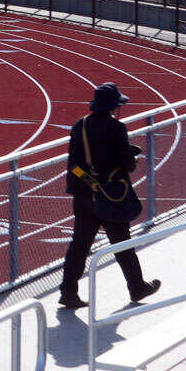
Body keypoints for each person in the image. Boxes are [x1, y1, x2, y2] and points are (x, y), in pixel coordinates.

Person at [58, 82, 163, 312]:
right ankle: (137, 287)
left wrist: (89, 183)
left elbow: (74, 164)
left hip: (84, 195)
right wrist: (132, 157)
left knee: (79, 245)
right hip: (111, 195)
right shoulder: (117, 128)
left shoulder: (80, 126)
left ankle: (68, 292)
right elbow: (127, 164)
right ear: (114, 106)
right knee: (122, 242)